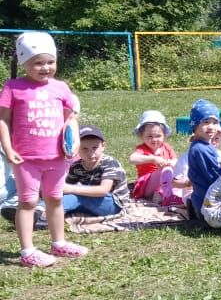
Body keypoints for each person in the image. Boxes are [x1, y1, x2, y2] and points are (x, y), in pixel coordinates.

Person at [0, 31, 88, 266]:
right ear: (24, 63)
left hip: (57, 157)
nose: (45, 67)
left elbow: (70, 118)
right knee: (27, 202)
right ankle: (27, 251)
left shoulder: (60, 87)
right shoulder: (13, 87)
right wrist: (8, 149)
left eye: (50, 62)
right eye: (38, 63)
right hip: (26, 158)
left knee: (55, 199)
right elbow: (3, 121)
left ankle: (59, 243)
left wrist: (74, 142)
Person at [63, 125, 131, 217]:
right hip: (91, 200)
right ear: (77, 148)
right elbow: (66, 187)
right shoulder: (76, 166)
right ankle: (42, 209)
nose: (90, 153)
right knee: (71, 196)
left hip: (113, 203)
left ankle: (49, 212)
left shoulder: (110, 163)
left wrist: (71, 189)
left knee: (80, 196)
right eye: (84, 149)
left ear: (103, 146)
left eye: (95, 148)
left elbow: (103, 190)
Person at [186, 99, 221, 220]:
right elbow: (214, 176)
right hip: (209, 203)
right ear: (195, 125)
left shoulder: (206, 146)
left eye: (215, 122)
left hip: (208, 199)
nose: (211, 127)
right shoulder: (200, 150)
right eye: (206, 122)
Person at [128, 110, 178, 203]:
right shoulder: (142, 149)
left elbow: (175, 160)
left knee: (176, 171)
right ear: (142, 136)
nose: (154, 139)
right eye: (149, 136)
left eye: (158, 136)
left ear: (164, 136)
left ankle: (161, 194)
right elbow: (132, 159)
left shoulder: (166, 147)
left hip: (164, 184)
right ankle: (163, 194)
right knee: (165, 171)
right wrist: (153, 159)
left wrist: (171, 163)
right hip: (146, 185)